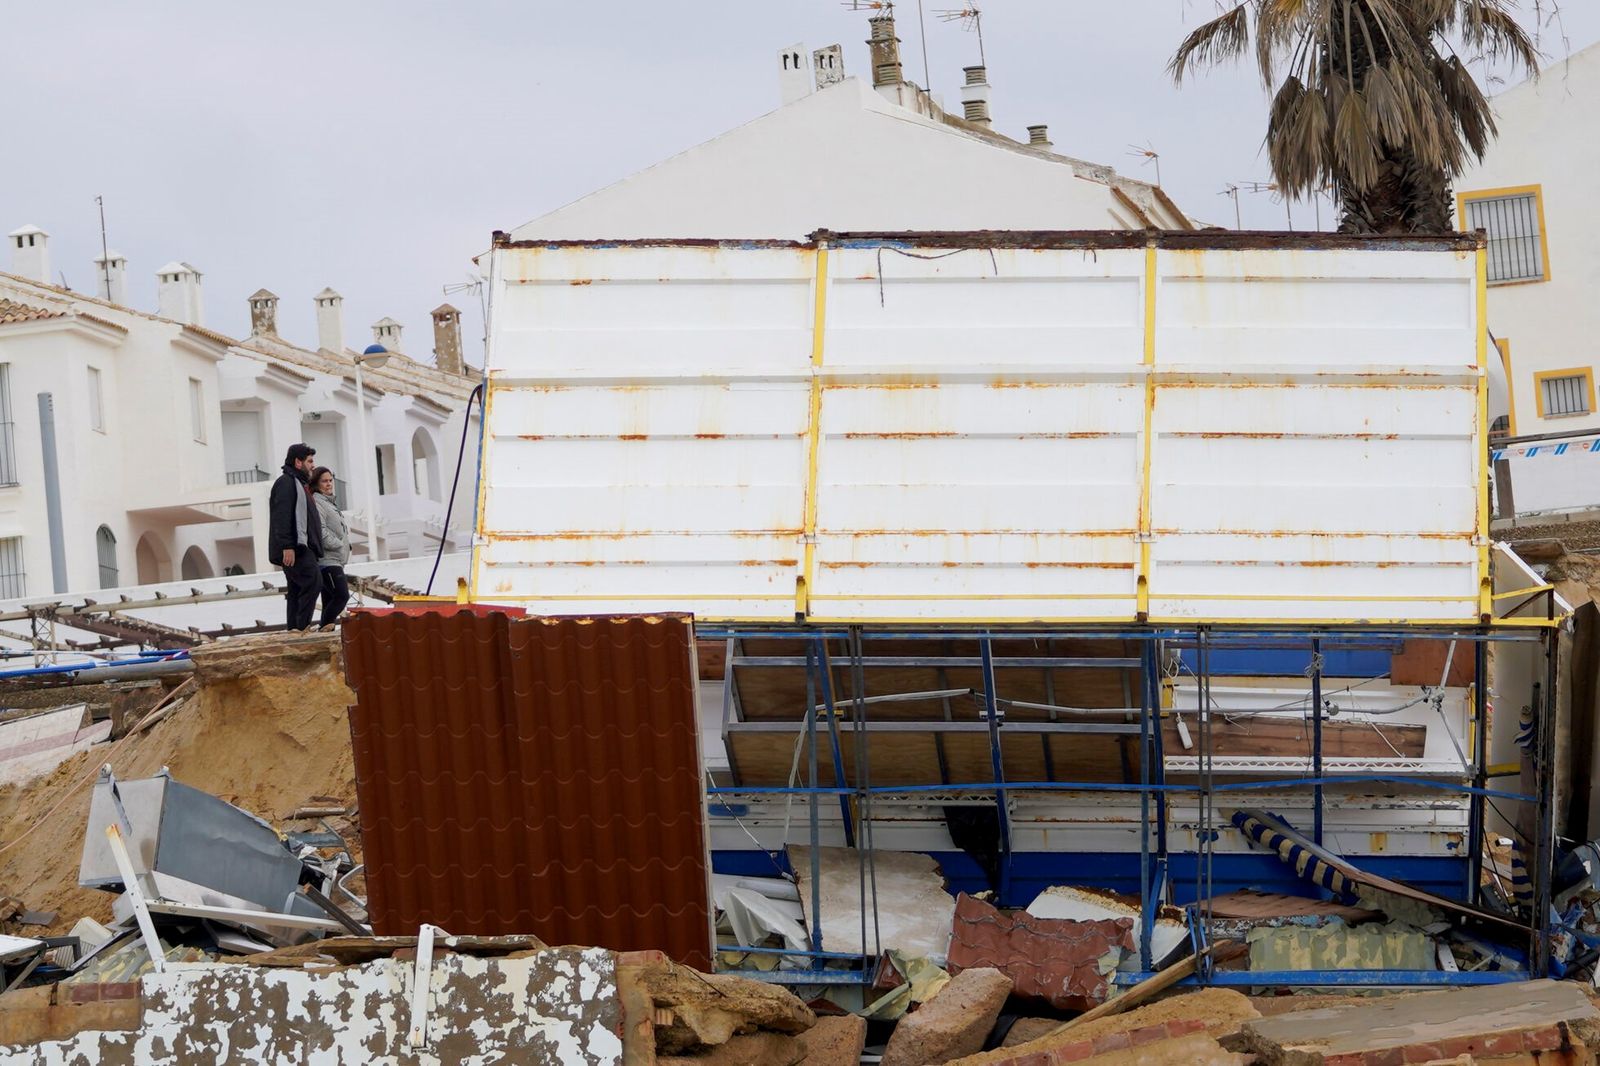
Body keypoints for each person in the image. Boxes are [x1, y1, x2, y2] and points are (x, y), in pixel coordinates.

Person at [268, 443, 323, 630]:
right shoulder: (286, 483)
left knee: (296, 588)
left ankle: (294, 628)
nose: (313, 466)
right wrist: (287, 546)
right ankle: (301, 626)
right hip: (295, 548)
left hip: (301, 546)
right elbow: (281, 516)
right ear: (298, 462)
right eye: (309, 461)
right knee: (313, 580)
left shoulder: (299, 484)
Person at [310, 466, 350, 628]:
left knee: (329, 600)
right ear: (316, 484)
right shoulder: (318, 502)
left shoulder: (330, 503)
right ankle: (324, 626)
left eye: (330, 480)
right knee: (341, 596)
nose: (328, 484)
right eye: (324, 481)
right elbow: (320, 530)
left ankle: (326, 630)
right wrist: (339, 544)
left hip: (336, 560)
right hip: (327, 560)